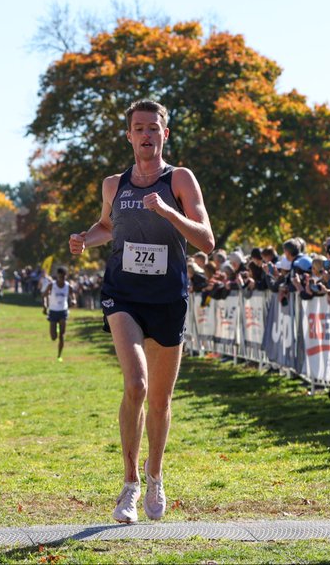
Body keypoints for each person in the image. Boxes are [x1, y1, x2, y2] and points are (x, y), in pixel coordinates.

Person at [69, 99, 214, 524]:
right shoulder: (114, 185)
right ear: (129, 135)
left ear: (164, 135)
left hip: (169, 297)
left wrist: (169, 212)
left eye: (154, 128)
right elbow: (107, 227)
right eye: (139, 128)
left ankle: (155, 475)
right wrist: (84, 239)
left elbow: (206, 240)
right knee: (136, 384)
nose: (146, 134)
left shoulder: (180, 179)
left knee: (161, 399)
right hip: (123, 294)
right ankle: (129, 484)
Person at [43, 267, 73, 361]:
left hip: (63, 311)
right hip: (53, 311)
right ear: (57, 276)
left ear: (66, 276)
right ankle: (55, 327)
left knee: (62, 335)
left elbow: (73, 296)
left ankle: (59, 355)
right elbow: (44, 295)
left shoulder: (68, 286)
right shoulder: (52, 285)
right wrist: (45, 306)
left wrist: (74, 300)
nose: (61, 279)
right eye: (60, 277)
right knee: (53, 337)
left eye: (63, 277)